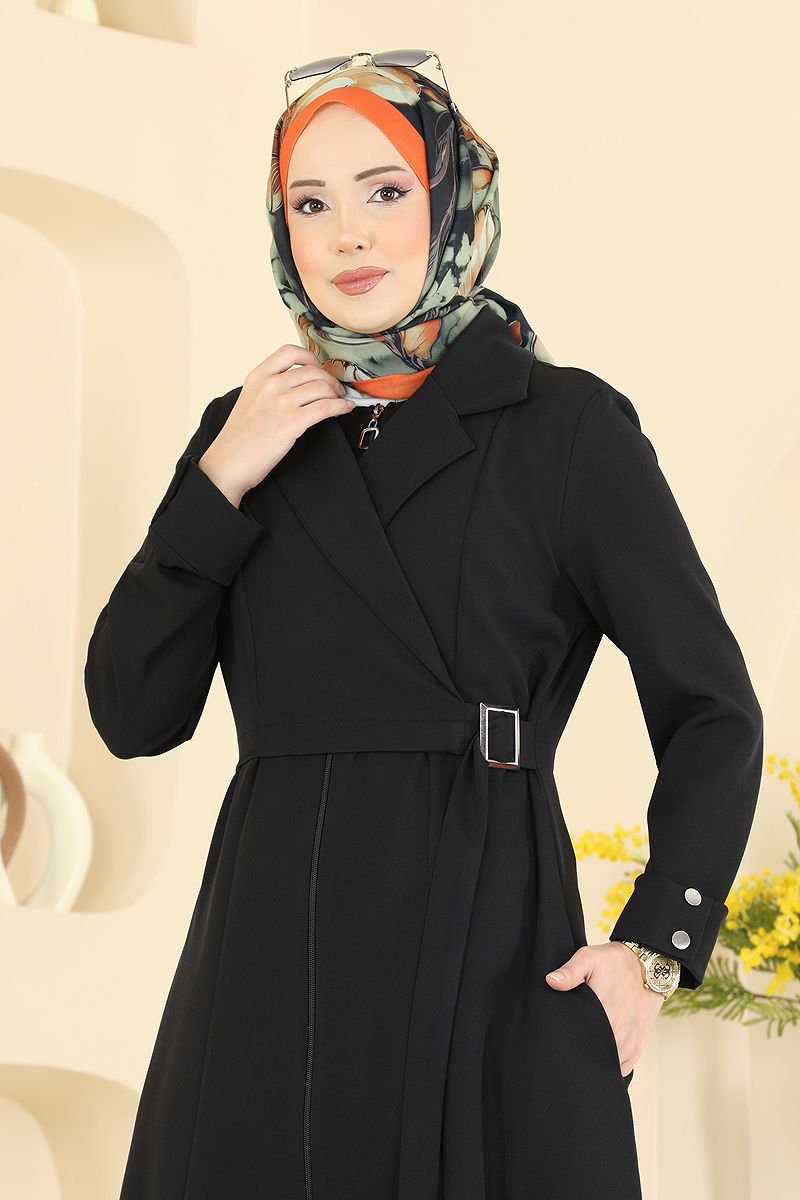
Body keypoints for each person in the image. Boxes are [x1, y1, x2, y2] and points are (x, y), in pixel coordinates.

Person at [84, 52, 764, 1200]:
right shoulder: (244, 431)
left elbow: (712, 710)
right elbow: (130, 714)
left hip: (481, 932)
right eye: (310, 204)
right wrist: (218, 481)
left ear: (453, 201)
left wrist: (653, 950)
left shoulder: (563, 427)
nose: (347, 234)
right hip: (266, 957)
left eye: (385, 191)